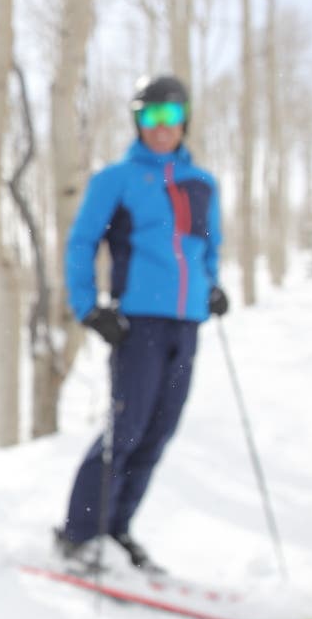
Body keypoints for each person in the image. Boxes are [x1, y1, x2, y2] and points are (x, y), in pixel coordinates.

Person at [54, 73, 227, 576]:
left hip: (186, 323)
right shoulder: (117, 179)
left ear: (184, 120)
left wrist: (211, 286)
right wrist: (88, 307)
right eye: (150, 117)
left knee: (159, 430)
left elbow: (207, 246)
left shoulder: (202, 184)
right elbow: (81, 242)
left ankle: (117, 527)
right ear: (137, 121)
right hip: (138, 324)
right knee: (125, 428)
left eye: (170, 116)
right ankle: (80, 534)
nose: (160, 127)